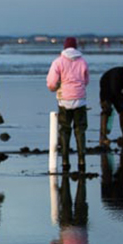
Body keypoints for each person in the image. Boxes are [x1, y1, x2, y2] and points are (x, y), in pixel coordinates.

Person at [46, 37, 90, 171]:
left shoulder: (58, 62)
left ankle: (65, 161)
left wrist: (54, 88)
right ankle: (81, 160)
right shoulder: (83, 61)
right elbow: (86, 81)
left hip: (64, 100)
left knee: (65, 130)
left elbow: (52, 83)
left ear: (64, 47)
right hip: (80, 100)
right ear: (76, 47)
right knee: (80, 130)